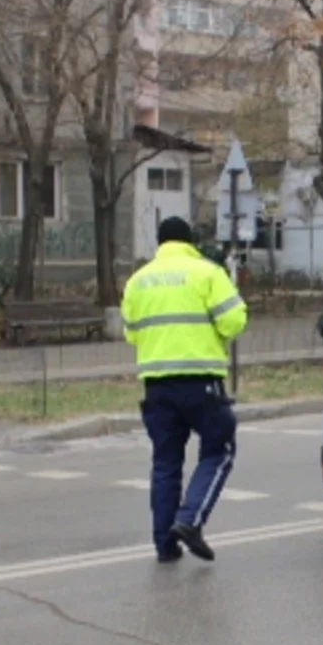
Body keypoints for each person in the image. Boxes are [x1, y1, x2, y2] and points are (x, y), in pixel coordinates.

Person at [123, 216, 249, 563]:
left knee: (165, 463)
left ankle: (165, 545)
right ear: (189, 241)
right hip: (200, 382)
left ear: (160, 244)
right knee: (219, 450)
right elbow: (235, 320)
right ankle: (190, 521)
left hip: (157, 387)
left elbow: (132, 332)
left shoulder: (138, 281)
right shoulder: (207, 273)